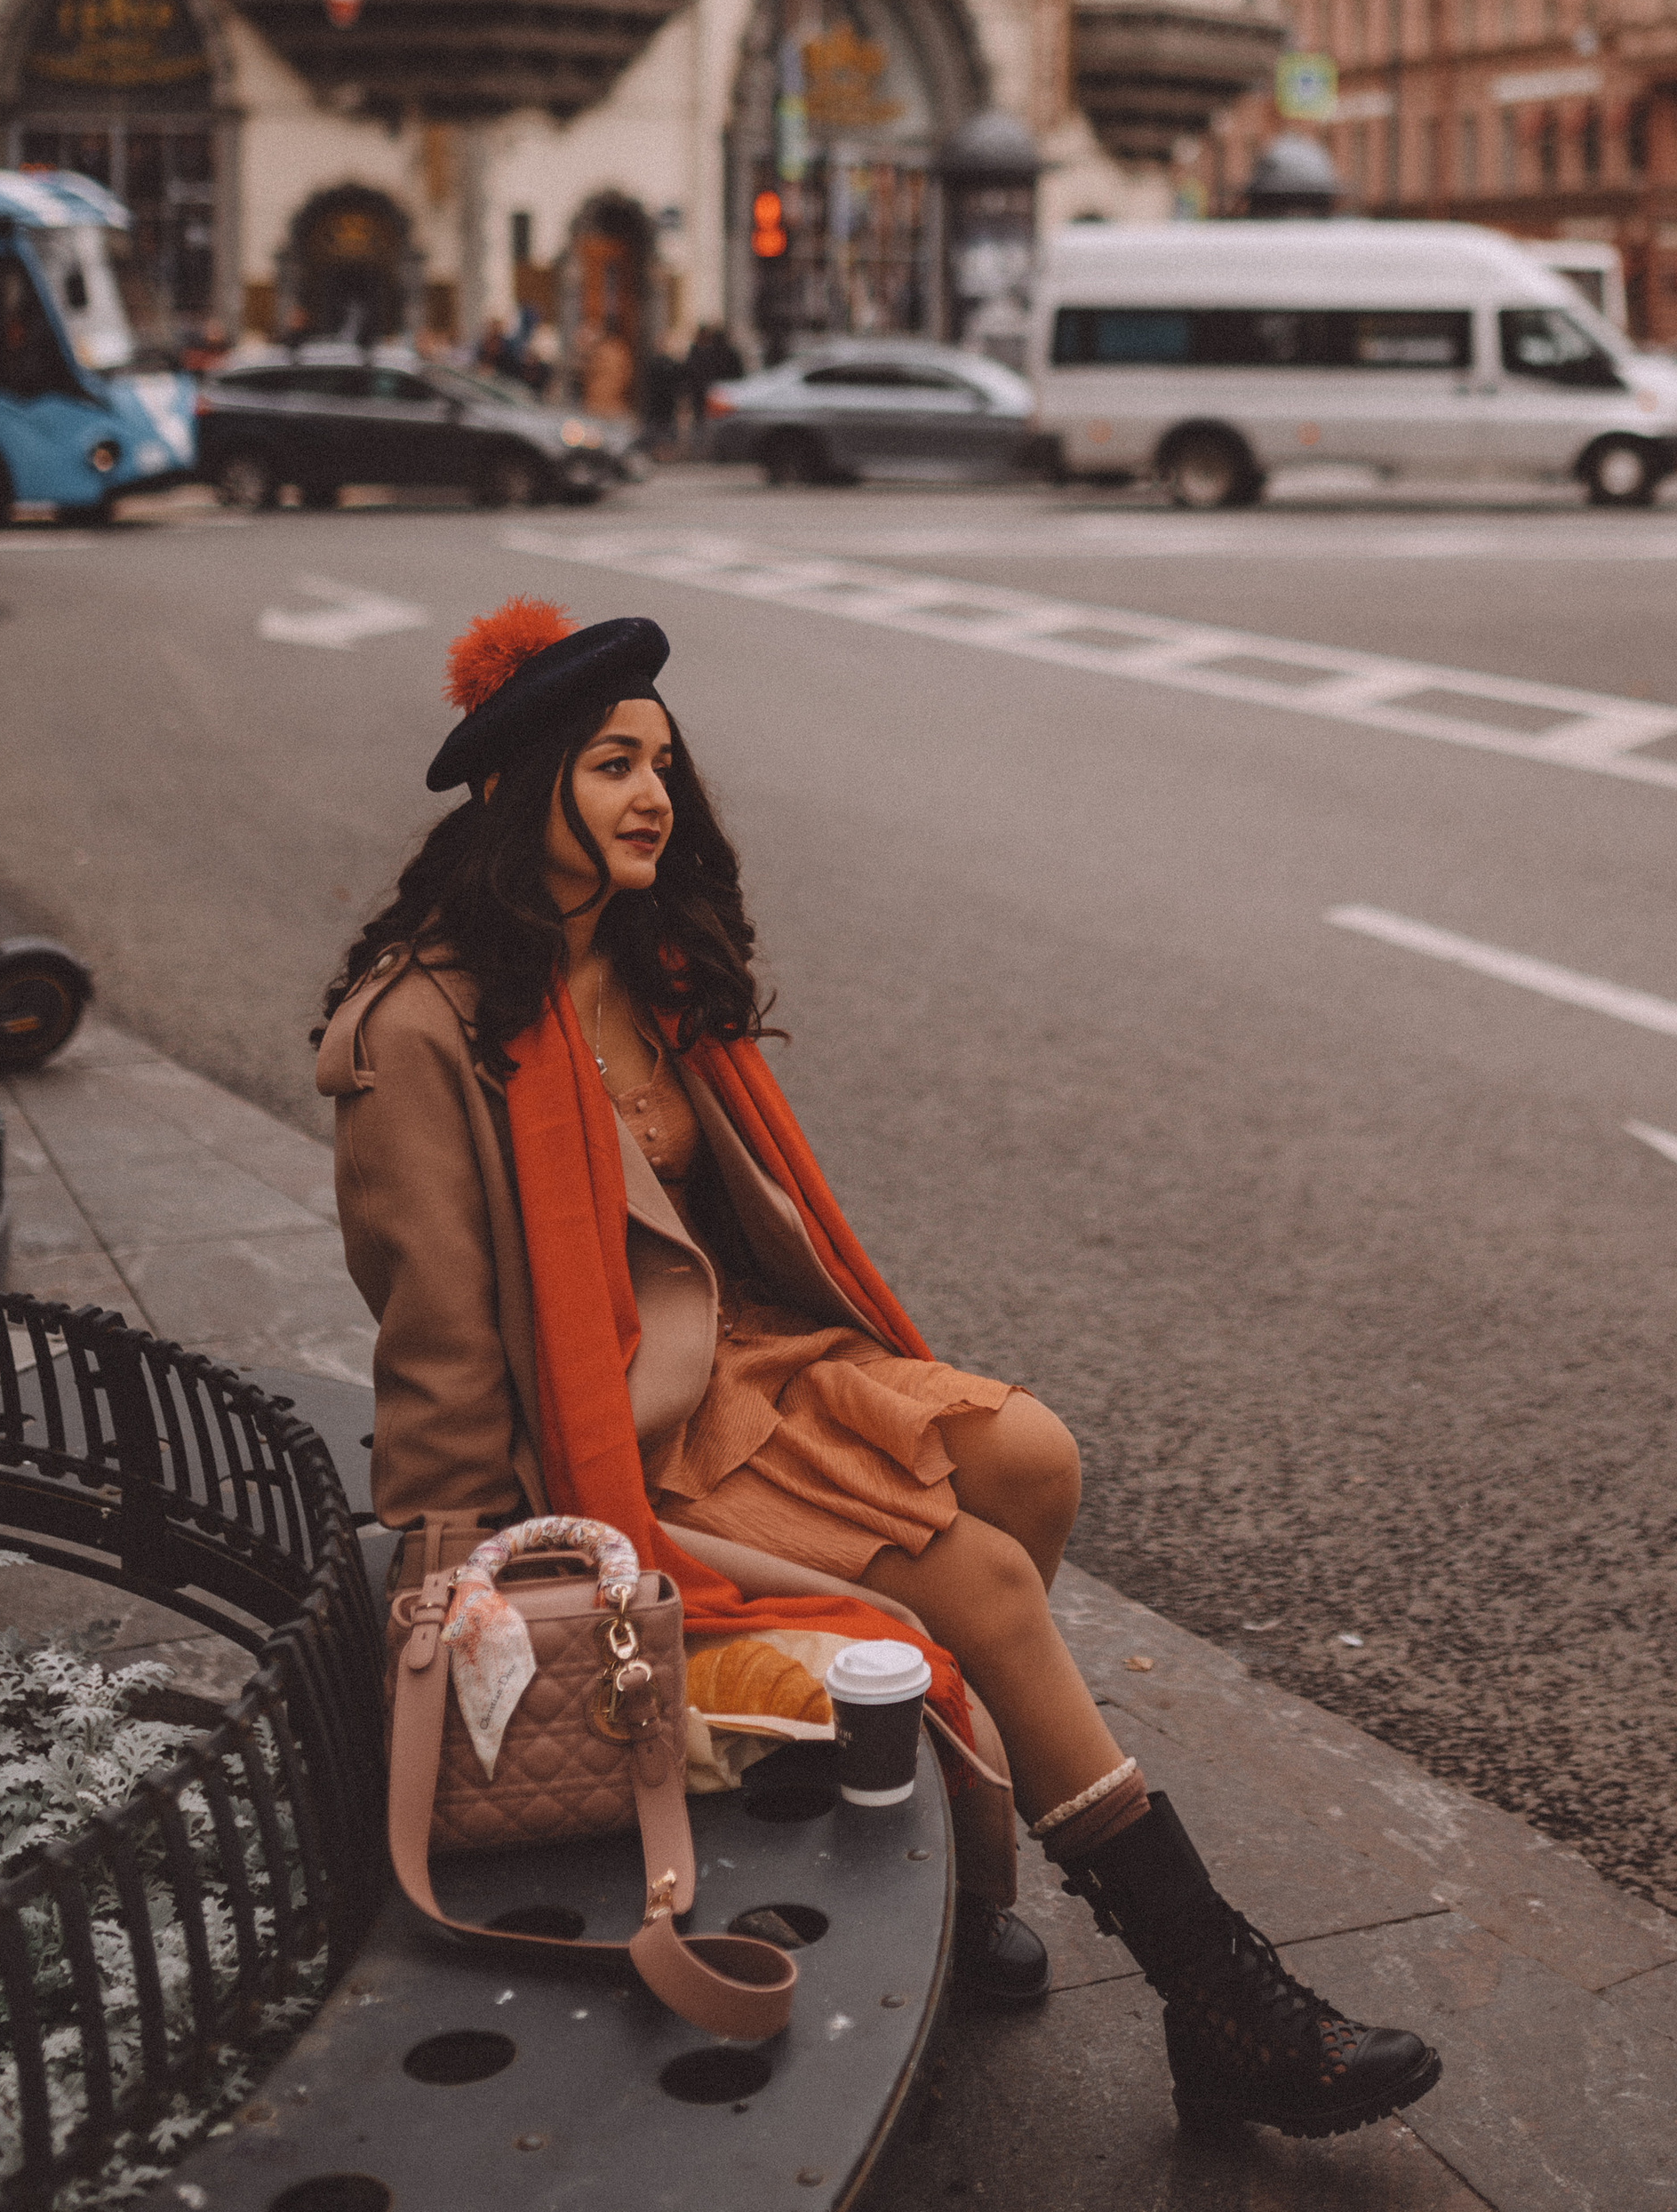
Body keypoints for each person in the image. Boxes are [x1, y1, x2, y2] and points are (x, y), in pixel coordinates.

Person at [315, 601, 1441, 2141]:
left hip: (747, 1362)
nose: (653, 796)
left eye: (662, 763)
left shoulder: (644, 960)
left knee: (1032, 1456)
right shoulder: (422, 1030)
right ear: (521, 795)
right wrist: (466, 1580)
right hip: (609, 1446)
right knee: (981, 1584)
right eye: (611, 766)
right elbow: (437, 1350)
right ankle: (1214, 1992)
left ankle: (967, 1837)